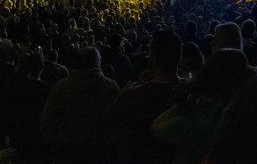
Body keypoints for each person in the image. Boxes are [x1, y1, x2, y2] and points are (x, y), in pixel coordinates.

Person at [104, 30, 181, 163]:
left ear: (155, 58)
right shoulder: (189, 94)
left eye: (150, 52)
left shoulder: (135, 94)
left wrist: (129, 89)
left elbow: (108, 117)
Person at [41, 46, 119, 163]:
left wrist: (57, 143)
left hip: (67, 152)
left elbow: (47, 121)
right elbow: (117, 122)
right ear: (98, 63)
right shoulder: (111, 88)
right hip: (99, 153)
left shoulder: (61, 87)